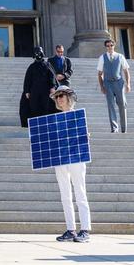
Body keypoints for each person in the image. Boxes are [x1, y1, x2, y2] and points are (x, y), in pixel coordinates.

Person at [49, 85, 91, 243]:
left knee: (80, 192)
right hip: (60, 159)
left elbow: (82, 137)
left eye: (62, 96)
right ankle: (71, 229)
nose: (59, 99)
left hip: (76, 158)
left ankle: (85, 230)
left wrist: (85, 136)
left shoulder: (78, 116)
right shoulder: (54, 120)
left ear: (69, 97)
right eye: (57, 97)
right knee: (65, 195)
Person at [96, 39, 132, 133]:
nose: (110, 47)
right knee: (111, 105)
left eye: (111, 45)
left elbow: (126, 71)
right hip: (108, 83)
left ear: (114, 46)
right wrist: (102, 86)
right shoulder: (102, 57)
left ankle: (124, 128)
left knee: (122, 104)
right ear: (106, 47)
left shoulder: (120, 56)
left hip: (119, 83)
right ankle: (114, 128)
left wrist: (128, 84)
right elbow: (100, 74)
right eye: (108, 46)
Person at [21, 47, 57, 127]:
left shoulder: (47, 65)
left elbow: (52, 76)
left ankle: (45, 125)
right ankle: (36, 126)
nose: (38, 55)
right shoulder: (32, 66)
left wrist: (52, 87)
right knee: (34, 108)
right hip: (34, 91)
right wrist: (27, 91)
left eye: (39, 53)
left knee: (46, 107)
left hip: (45, 91)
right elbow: (27, 79)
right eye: (36, 53)